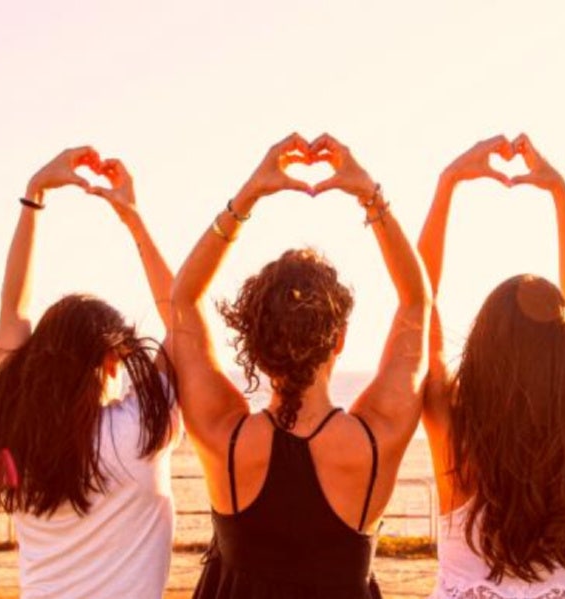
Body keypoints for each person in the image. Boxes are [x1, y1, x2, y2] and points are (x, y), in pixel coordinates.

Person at [168, 133, 431, 599]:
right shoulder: (375, 440)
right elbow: (416, 301)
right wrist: (370, 195)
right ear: (340, 341)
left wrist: (247, 197)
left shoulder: (225, 438)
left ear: (255, 345)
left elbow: (184, 300)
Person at [0, 147, 181, 599]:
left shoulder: (13, 432)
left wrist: (34, 195)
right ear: (108, 360)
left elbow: (13, 309)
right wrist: (133, 220)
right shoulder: (139, 429)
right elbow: (182, 319)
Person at [418, 135, 565, 599]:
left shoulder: (453, 431)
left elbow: (419, 303)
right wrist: (559, 194)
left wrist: (449, 184)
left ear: (484, 347)